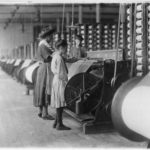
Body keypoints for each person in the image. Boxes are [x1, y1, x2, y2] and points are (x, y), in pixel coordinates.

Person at [33, 27, 55, 120]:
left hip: (42, 68)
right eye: (51, 36)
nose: (52, 38)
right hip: (46, 69)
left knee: (41, 89)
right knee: (46, 89)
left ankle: (41, 112)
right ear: (47, 36)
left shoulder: (41, 45)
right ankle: (45, 114)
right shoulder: (44, 46)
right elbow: (49, 58)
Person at [51, 39, 71, 130]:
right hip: (60, 81)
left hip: (56, 80)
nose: (66, 49)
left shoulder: (55, 56)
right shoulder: (59, 58)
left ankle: (56, 122)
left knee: (58, 101)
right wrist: (68, 82)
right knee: (61, 103)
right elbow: (61, 73)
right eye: (66, 48)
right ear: (61, 47)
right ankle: (60, 124)